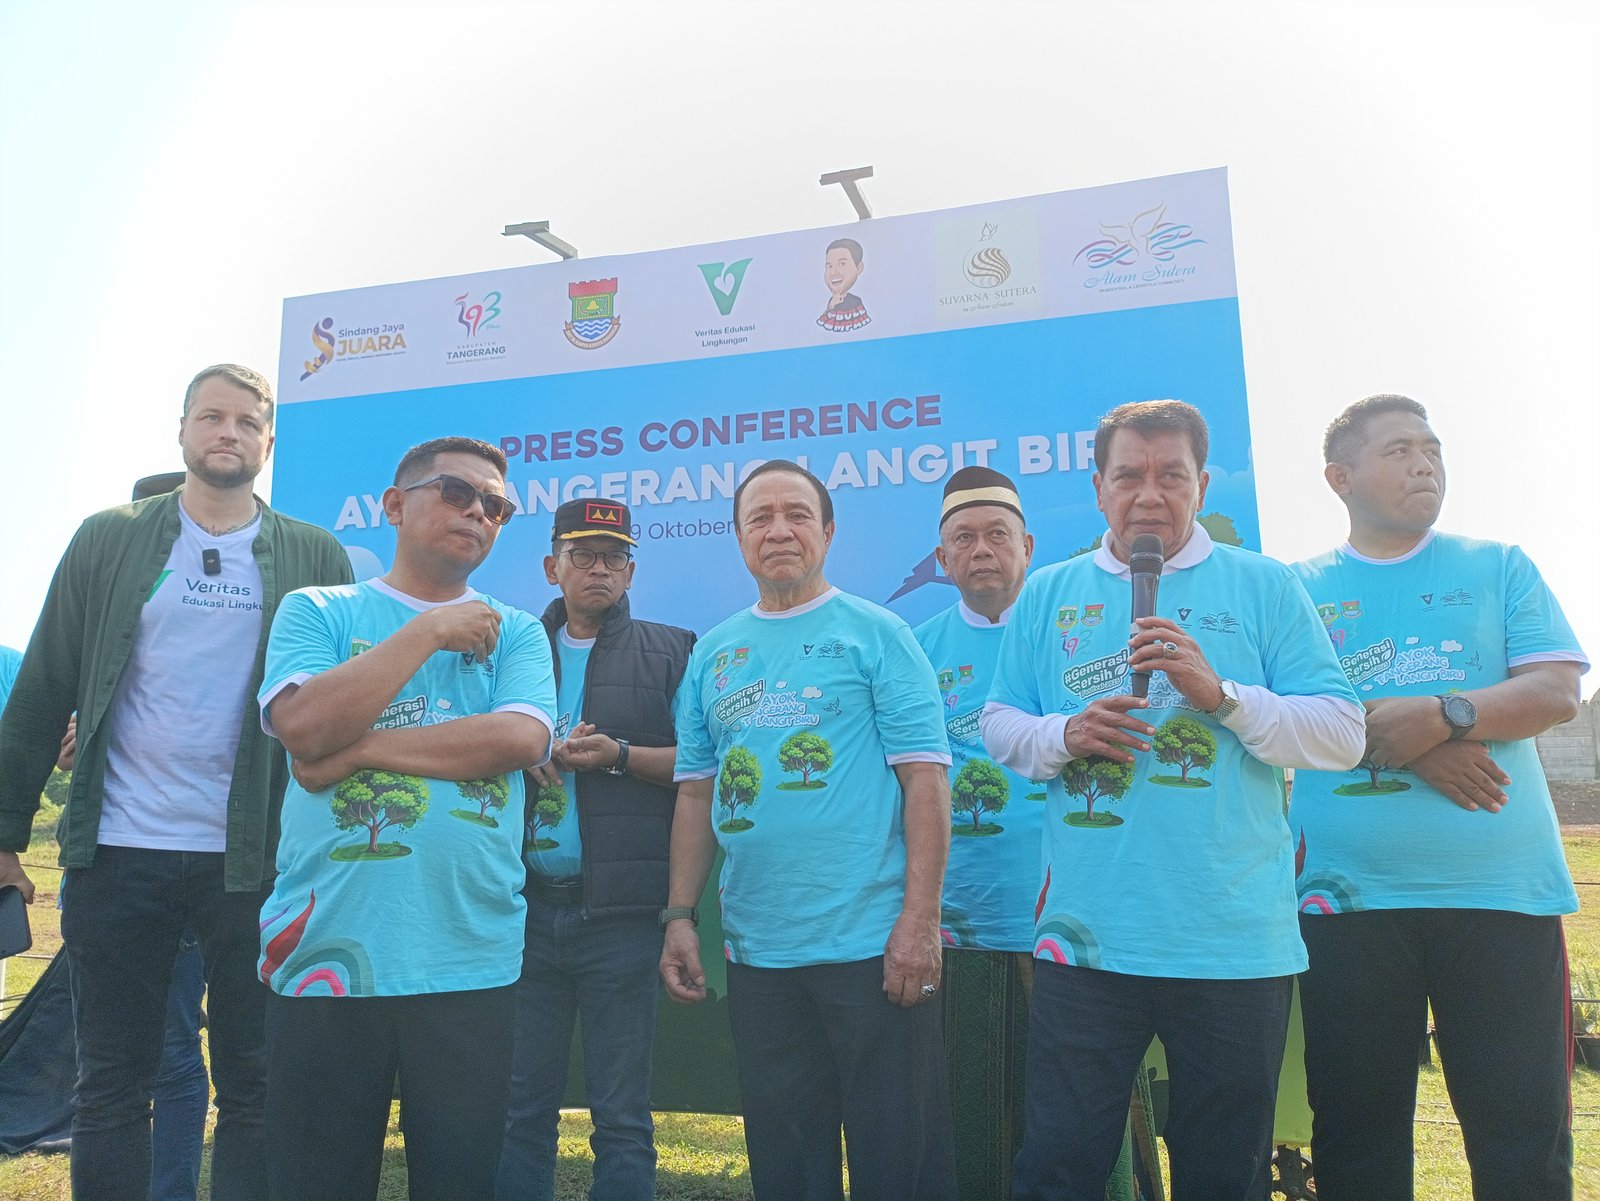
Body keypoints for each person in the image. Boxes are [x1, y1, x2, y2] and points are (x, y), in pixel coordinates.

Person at [981, 399, 1364, 1200]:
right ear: (1097, 486)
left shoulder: (1263, 583)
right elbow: (1000, 723)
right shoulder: (1049, 593)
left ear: (1201, 483)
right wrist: (1066, 734)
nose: (1148, 494)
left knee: (1222, 1171)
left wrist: (1221, 694)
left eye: (1170, 475)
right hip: (1087, 938)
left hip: (1231, 939)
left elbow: (1340, 733)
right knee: (1057, 1161)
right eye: (1129, 475)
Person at [0, 363, 353, 1201]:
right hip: (118, 854)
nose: (226, 432)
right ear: (184, 430)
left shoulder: (314, 550)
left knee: (254, 1083)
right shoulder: (108, 535)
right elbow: (44, 683)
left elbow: (341, 704)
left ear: (269, 440)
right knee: (110, 1084)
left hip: (256, 862)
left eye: (245, 421)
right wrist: (5, 836)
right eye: (210, 417)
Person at [1290, 394, 1586, 1201]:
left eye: (1433, 448)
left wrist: (1444, 715)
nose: (1425, 464)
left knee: (1523, 1134)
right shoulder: (1296, 589)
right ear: (1339, 477)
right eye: (1399, 451)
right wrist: (1418, 750)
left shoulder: (1499, 565)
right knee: (1355, 1134)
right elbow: (1277, 718)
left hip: (1504, 896)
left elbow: (1557, 689)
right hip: (1346, 903)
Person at [257, 436, 554, 1201]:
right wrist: (427, 629)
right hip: (325, 950)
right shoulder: (320, 608)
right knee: (314, 1182)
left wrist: (350, 753)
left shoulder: (515, 630)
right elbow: (302, 726)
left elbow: (518, 738)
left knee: (459, 1182)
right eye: (458, 492)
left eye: (497, 506)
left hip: (469, 955)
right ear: (394, 504)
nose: (479, 513)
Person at [661, 459, 959, 1200]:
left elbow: (925, 779)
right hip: (760, 949)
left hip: (872, 944)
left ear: (827, 531)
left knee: (900, 1155)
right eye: (760, 517)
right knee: (787, 1155)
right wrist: (677, 916)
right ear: (737, 539)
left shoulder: (878, 633)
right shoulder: (714, 651)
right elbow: (696, 793)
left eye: (797, 513)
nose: (779, 529)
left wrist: (919, 922)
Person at [497, 498, 694, 1201]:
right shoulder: (511, 648)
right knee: (519, 1111)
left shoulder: (673, 649)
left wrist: (616, 755)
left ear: (632, 569)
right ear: (552, 566)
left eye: (613, 556)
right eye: (583, 554)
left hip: (619, 917)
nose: (598, 568)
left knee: (621, 1116)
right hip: (521, 913)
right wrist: (517, 753)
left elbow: (701, 768)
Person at [816, 238, 870, 333]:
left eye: (842, 264)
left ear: (858, 267)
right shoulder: (831, 302)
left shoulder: (856, 301)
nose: (833, 272)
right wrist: (831, 306)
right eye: (829, 266)